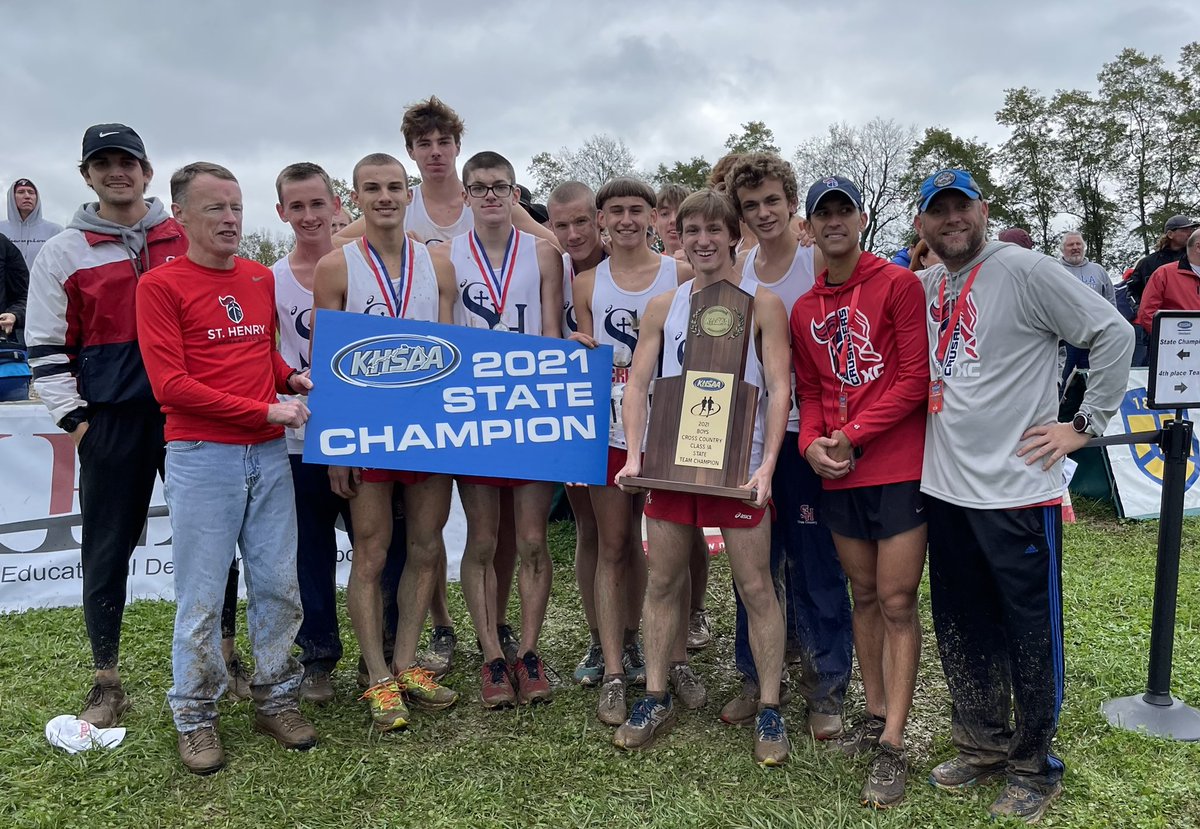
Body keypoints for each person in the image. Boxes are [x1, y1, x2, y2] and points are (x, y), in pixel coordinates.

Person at [915, 168, 1133, 823]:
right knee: (962, 624)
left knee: (1029, 632)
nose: (952, 219)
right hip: (946, 490)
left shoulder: (1027, 269)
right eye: (937, 211)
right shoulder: (927, 284)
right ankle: (981, 743)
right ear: (922, 224)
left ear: (983, 209)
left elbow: (1114, 333)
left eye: (961, 206)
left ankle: (1034, 765)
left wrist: (1083, 424)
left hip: (1016, 491)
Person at [136, 162, 319, 774]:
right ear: (180, 215)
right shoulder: (159, 286)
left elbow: (260, 351)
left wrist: (289, 377)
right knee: (202, 594)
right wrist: (266, 409)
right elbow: (171, 385)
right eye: (215, 207)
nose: (230, 219)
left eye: (236, 207)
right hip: (201, 455)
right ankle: (194, 716)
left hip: (266, 453)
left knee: (278, 584)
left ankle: (276, 698)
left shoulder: (257, 277)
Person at [25, 124, 203, 726]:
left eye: (126, 161)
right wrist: (77, 422)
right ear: (87, 176)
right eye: (102, 164)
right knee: (106, 549)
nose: (116, 172)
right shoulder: (63, 251)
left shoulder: (186, 235)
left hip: (189, 415)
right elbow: (47, 347)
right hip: (112, 422)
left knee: (208, 541)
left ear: (147, 171)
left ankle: (223, 659)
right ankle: (106, 679)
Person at [613, 189, 792, 766]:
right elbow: (638, 384)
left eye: (715, 229)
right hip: (671, 465)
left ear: (735, 235)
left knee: (756, 586)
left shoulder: (763, 304)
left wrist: (767, 464)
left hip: (738, 467)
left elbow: (780, 388)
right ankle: (655, 695)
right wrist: (636, 456)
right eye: (692, 230)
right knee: (663, 582)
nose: (703, 240)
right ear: (678, 235)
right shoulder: (663, 306)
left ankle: (770, 706)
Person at [791, 175, 929, 808]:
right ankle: (874, 716)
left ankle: (894, 743)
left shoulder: (897, 283)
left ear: (861, 218)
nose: (834, 221)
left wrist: (851, 434)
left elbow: (913, 379)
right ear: (809, 226)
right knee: (864, 595)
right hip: (839, 472)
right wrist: (810, 445)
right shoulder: (804, 308)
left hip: (896, 467)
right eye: (823, 213)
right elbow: (811, 391)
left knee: (897, 600)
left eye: (843, 210)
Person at [314, 154, 460, 730]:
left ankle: (405, 664)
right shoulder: (336, 267)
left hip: (427, 429)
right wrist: (336, 447)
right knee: (372, 553)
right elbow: (326, 364)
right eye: (372, 188)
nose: (384, 197)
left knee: (425, 547)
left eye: (394, 187)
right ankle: (376, 675)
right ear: (355, 198)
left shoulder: (438, 264)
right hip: (366, 432)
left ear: (409, 193)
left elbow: (452, 351)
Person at [723, 156, 854, 742]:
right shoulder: (737, 270)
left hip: (808, 434)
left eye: (772, 200)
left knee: (816, 563)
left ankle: (827, 683)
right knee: (753, 566)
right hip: (748, 437)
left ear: (792, 203)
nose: (763, 213)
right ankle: (757, 676)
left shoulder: (815, 258)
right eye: (751, 205)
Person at [271, 162, 406, 704]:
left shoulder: (368, 267)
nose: (309, 216)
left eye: (317, 204)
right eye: (296, 206)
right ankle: (319, 656)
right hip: (299, 436)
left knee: (384, 547)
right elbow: (265, 356)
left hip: (371, 433)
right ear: (281, 212)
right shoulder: (269, 279)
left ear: (335, 206)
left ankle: (390, 652)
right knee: (312, 550)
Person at [433, 150, 563, 708]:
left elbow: (554, 335)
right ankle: (490, 654)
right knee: (483, 540)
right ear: (465, 195)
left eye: (500, 186)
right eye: (480, 186)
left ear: (515, 194)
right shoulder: (443, 256)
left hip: (531, 411)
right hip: (475, 414)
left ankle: (529, 652)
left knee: (532, 539)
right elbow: (444, 340)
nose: (490, 195)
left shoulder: (544, 253)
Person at [567, 177, 683, 725]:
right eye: (616, 211)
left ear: (653, 216)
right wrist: (574, 348)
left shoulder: (679, 272)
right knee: (612, 543)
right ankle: (614, 669)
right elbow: (586, 354)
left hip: (671, 425)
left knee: (670, 549)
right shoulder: (587, 283)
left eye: (638, 210)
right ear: (602, 219)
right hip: (609, 427)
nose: (627, 220)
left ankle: (674, 658)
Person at [546, 180, 608, 685]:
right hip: (576, 416)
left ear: (599, 218)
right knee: (590, 528)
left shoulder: (635, 263)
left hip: (638, 415)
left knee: (643, 532)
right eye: (561, 224)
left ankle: (668, 630)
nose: (573, 233)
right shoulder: (549, 268)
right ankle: (599, 635)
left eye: (581, 221)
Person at [1059, 231, 1118, 386]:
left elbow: (1110, 302)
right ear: (1062, 249)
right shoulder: (1055, 269)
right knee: (1061, 380)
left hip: (1094, 337)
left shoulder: (1098, 271)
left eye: (1078, 244)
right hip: (1065, 339)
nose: (1075, 247)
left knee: (1093, 380)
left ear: (1084, 247)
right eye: (1070, 245)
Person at [1136, 227, 1200, 332]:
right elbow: (1147, 313)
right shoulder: (1164, 274)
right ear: (1198, 247)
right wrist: (1168, 336)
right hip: (1177, 340)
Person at [1, 178, 63, 268]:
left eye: (31, 192)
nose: (27, 196)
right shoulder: (1, 230)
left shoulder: (55, 231)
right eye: (21, 192)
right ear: (12, 197)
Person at [0, 233, 30, 401]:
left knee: (15, 416)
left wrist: (15, 315)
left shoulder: (3, 245)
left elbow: (26, 296)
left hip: (4, 363)